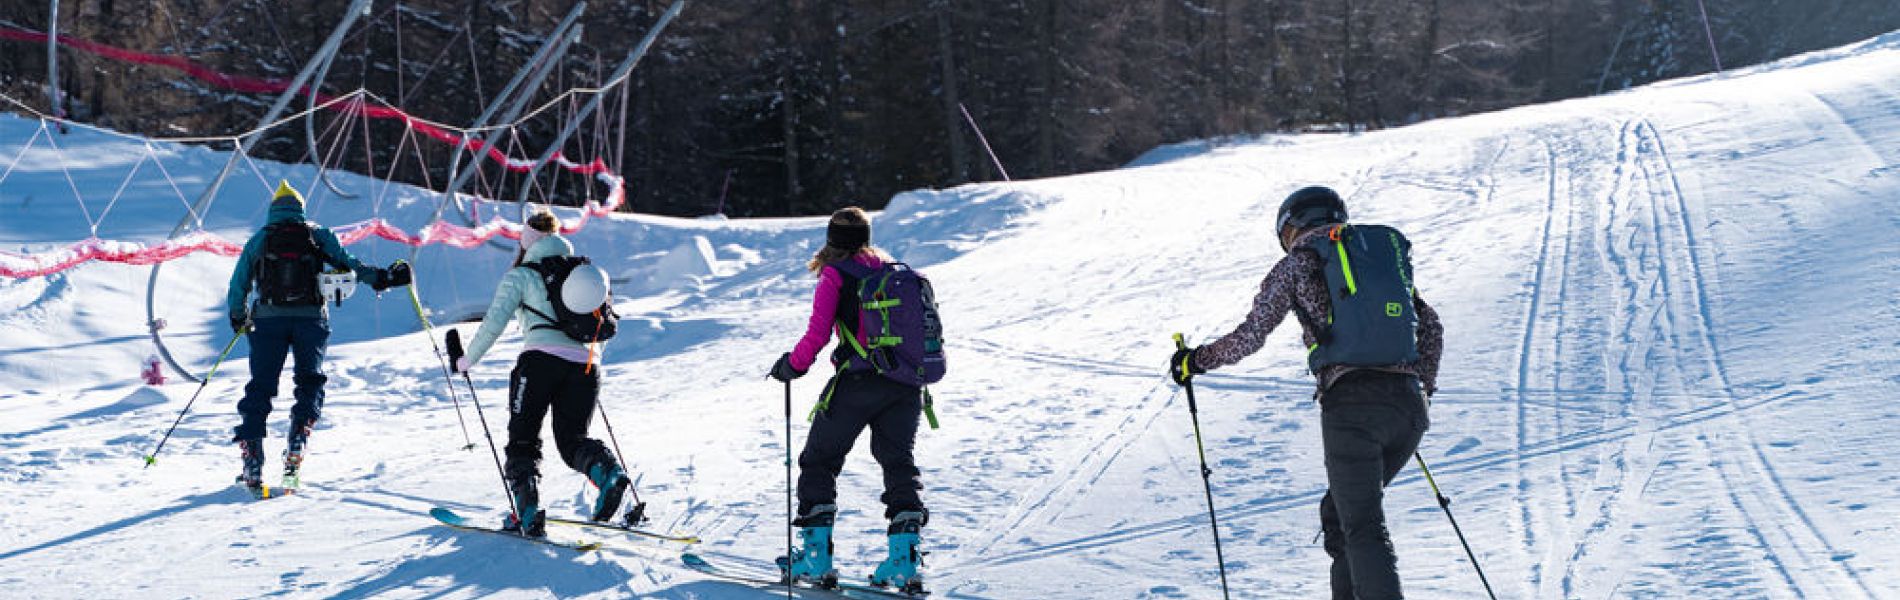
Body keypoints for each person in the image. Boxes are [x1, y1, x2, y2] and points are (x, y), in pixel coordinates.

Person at [1169, 186, 1443, 600]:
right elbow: (1431, 327)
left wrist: (1195, 360)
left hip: (1351, 408)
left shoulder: (1298, 263)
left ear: (1290, 229)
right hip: (1408, 409)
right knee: (1340, 513)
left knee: (1362, 525)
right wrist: (1420, 388)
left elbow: (1252, 335)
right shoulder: (1373, 260)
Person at [769, 207, 929, 591]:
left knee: (819, 460)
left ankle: (815, 556)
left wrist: (792, 366)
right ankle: (904, 561)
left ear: (831, 240)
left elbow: (818, 334)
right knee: (898, 463)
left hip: (858, 383)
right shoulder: (891, 271)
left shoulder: (836, 275)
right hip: (905, 384)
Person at [453, 211, 629, 537]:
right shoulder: (583, 274)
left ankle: (527, 508)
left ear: (527, 242)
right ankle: (608, 474)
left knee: (523, 439)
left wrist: (467, 361)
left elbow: (493, 323)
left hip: (539, 364)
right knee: (573, 441)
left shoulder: (522, 275)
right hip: (586, 366)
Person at [226, 180, 410, 490]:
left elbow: (238, 283)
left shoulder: (260, 239)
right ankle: (298, 439)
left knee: (261, 387)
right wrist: (381, 278)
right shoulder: (318, 235)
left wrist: (238, 316)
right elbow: (349, 265)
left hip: (267, 322)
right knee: (309, 381)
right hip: (311, 319)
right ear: (300, 209)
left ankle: (252, 458)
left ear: (273, 210)